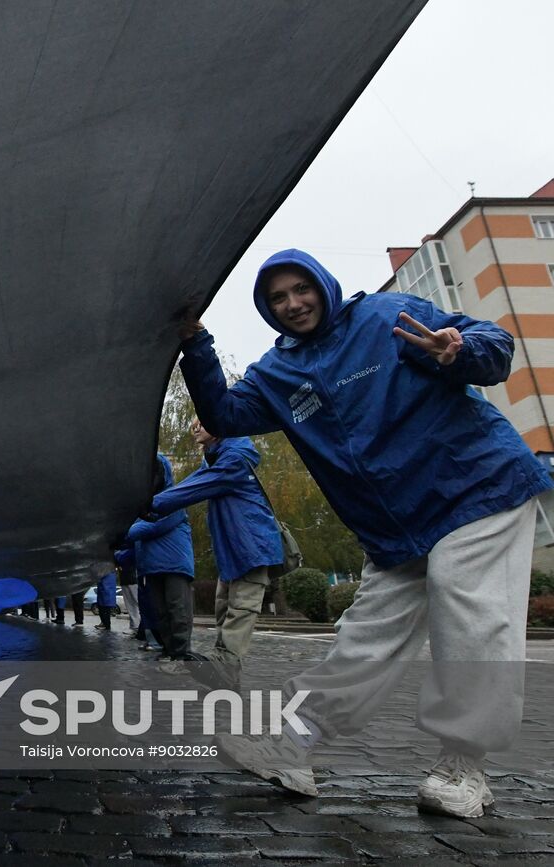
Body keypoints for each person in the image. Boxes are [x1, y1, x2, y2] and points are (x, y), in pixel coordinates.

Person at [179, 248, 551, 816]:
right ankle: (295, 739)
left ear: (323, 286)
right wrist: (195, 342)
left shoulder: (386, 316)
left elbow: (493, 348)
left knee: (469, 610)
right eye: (277, 298)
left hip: (474, 486)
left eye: (300, 289)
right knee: (367, 632)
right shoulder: (277, 373)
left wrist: (458, 350)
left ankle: (464, 765)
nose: (292, 304)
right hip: (392, 525)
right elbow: (226, 415)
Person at [146, 420, 282, 685]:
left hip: (252, 548)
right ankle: (227, 676)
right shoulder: (215, 460)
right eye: (194, 422)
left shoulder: (234, 459)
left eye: (202, 421)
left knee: (241, 608)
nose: (194, 427)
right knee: (224, 608)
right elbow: (192, 482)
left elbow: (194, 488)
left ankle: (224, 666)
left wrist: (150, 506)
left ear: (221, 424)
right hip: (233, 549)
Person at [121, 454, 196, 669]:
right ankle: (170, 651)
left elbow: (153, 527)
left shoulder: (173, 499)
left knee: (177, 611)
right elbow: (136, 541)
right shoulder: (142, 507)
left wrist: (120, 535)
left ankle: (181, 656)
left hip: (174, 565)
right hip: (151, 567)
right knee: (161, 613)